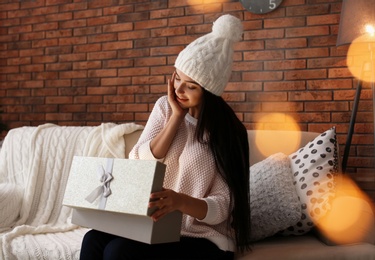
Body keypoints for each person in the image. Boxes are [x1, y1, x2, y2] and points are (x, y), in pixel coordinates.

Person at [80, 14, 251, 260]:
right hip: (157, 229)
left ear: (211, 92)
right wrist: (175, 118)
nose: (179, 90)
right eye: (177, 78)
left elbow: (222, 207)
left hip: (204, 238)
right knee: (93, 239)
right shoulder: (165, 107)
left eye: (191, 86)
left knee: (119, 252)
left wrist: (180, 201)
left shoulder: (230, 134)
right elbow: (138, 161)